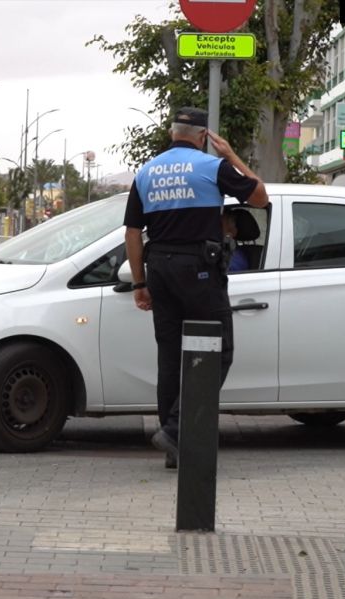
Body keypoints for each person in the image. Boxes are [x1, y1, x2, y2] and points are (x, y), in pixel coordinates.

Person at [123, 107, 268, 469]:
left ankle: (174, 444)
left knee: (170, 357)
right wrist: (232, 155)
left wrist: (139, 283)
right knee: (219, 350)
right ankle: (175, 429)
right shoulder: (211, 167)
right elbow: (260, 198)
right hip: (199, 270)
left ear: (173, 134)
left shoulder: (146, 172)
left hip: (159, 268)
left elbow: (131, 233)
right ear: (203, 137)